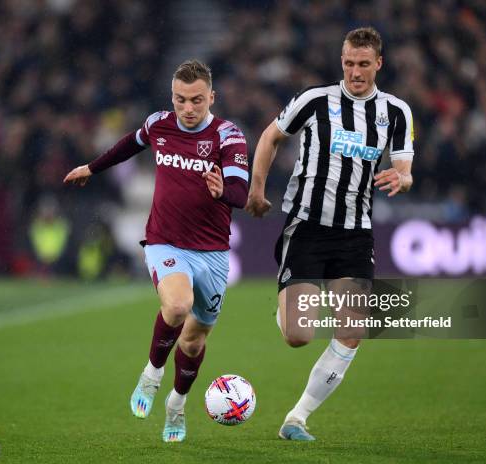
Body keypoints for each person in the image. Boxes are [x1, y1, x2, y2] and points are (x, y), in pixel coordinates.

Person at [64, 60, 249, 443]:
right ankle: (151, 375)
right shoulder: (159, 124)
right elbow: (128, 145)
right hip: (164, 240)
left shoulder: (228, 136)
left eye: (197, 100)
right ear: (172, 97)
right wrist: (91, 168)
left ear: (211, 97)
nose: (188, 108)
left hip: (212, 252)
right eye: (180, 99)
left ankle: (176, 406)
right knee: (177, 306)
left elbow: (241, 193)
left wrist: (222, 192)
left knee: (195, 340)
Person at [246, 27, 414, 441]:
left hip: (355, 234)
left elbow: (405, 168)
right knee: (298, 336)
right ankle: (287, 310)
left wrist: (403, 179)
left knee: (353, 329)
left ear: (379, 63)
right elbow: (271, 137)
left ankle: (296, 418)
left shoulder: (396, 112)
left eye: (363, 64)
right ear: (342, 62)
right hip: (307, 226)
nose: (355, 72)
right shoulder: (315, 100)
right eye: (349, 64)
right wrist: (256, 186)